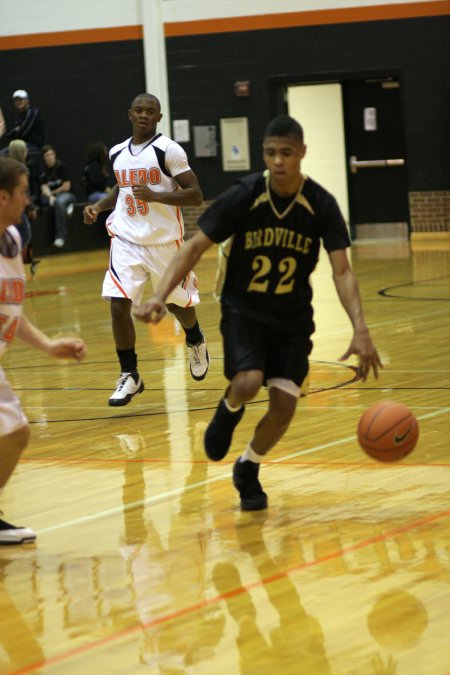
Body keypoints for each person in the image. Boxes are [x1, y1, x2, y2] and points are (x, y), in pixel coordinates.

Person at [135, 114, 383, 511]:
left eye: (287, 153)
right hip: (244, 310)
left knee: (284, 405)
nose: (279, 161)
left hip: (292, 318)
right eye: (271, 153)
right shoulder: (246, 194)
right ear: (263, 154)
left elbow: (342, 270)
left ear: (302, 153)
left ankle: (248, 466)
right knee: (249, 381)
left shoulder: (321, 203)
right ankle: (228, 409)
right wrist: (160, 296)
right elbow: (194, 247)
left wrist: (361, 328)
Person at [83, 92, 209, 407]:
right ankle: (130, 374)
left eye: (150, 111)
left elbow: (195, 195)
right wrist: (98, 207)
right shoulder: (116, 152)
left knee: (177, 305)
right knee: (117, 302)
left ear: (158, 118)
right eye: (139, 110)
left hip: (164, 240)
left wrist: (156, 196)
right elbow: (122, 190)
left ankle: (194, 340)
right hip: (125, 238)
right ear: (130, 114)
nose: (143, 115)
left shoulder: (169, 151)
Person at [0, 156, 86, 544]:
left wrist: (50, 346)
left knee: (16, 433)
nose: (28, 201)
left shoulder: (13, 240)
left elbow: (11, 312)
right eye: (22, 193)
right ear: (2, 197)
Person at [40, 144, 77, 248]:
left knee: (59, 202)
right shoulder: (43, 170)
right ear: (44, 157)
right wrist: (50, 196)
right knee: (42, 200)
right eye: (47, 155)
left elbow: (66, 187)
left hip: (68, 195)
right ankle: (66, 207)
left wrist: (52, 194)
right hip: (53, 197)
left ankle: (60, 236)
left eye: (52, 154)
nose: (50, 157)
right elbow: (43, 187)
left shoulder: (62, 166)